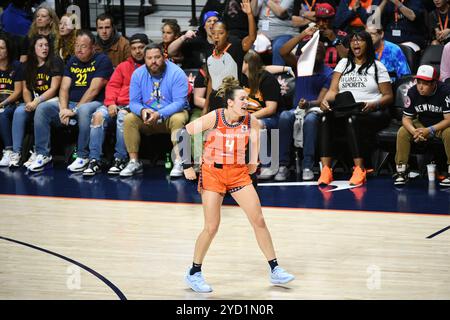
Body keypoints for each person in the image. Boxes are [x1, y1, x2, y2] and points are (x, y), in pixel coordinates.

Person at [181, 77, 295, 293]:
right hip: (212, 173)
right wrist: (187, 164)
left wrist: (252, 165)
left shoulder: (252, 121)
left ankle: (275, 269)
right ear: (230, 103)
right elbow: (184, 132)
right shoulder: (215, 117)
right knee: (212, 226)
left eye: (247, 98)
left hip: (238, 174)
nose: (246, 102)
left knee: (258, 220)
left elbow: (254, 152)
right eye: (242, 99)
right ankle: (194, 273)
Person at [27, 30, 113, 173]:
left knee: (85, 110)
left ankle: (83, 156)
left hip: (94, 103)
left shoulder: (102, 60)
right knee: (43, 108)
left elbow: (93, 90)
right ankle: (43, 154)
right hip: (70, 104)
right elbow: (64, 88)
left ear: (93, 48)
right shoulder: (72, 60)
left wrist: (74, 111)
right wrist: (63, 109)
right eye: (77, 45)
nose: (79, 49)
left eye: (83, 46)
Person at [318, 31, 394, 186]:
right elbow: (333, 91)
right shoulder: (343, 64)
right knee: (325, 117)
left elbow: (388, 96)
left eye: (360, 41)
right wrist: (325, 101)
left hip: (370, 110)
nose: (355, 44)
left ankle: (360, 169)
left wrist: (374, 104)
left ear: (368, 44)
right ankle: (326, 170)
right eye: (352, 41)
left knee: (352, 119)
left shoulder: (377, 67)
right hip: (346, 108)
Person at [265, 36, 333, 181]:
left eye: (320, 50)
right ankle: (283, 165)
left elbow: (322, 100)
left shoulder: (328, 73)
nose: (317, 52)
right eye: (314, 49)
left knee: (310, 119)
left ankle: (307, 165)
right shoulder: (301, 65)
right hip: (297, 110)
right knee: (284, 116)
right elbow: (283, 51)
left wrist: (308, 104)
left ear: (324, 54)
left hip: (316, 110)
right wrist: (302, 36)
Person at [82, 33, 150, 176]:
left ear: (147, 48)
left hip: (134, 107)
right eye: (134, 48)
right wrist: (111, 103)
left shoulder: (153, 67)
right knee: (98, 116)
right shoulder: (123, 66)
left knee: (123, 117)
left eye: (141, 48)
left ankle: (120, 159)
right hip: (116, 104)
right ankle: (95, 160)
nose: (137, 51)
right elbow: (112, 87)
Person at [120, 43, 189, 178]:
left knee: (179, 118)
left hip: (170, 115)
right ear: (144, 59)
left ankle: (180, 162)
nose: (153, 62)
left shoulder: (177, 73)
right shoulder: (138, 74)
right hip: (147, 117)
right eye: (149, 58)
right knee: (129, 119)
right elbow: (133, 102)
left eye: (157, 57)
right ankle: (134, 161)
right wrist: (142, 111)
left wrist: (159, 114)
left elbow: (180, 103)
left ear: (164, 57)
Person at [9, 35, 64, 168]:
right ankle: (17, 153)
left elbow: (54, 88)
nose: (44, 48)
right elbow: (26, 89)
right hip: (35, 102)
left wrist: (36, 102)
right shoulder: (27, 65)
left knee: (41, 108)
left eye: (46, 45)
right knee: (20, 111)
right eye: (40, 45)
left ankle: (41, 152)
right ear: (33, 48)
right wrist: (29, 103)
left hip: (55, 101)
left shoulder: (55, 61)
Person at [394, 65, 450, 187]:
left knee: (449, 132)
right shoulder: (412, 91)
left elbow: (448, 119)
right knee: (403, 131)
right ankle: (401, 171)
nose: (420, 86)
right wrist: (415, 131)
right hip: (421, 123)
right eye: (419, 82)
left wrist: (429, 130)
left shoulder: (445, 91)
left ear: (434, 82)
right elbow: (406, 118)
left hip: (441, 124)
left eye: (425, 83)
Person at [204, 1, 256, 113]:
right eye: (214, 33)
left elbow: (251, 38)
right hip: (215, 98)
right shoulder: (209, 52)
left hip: (234, 97)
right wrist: (205, 108)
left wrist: (250, 15)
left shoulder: (236, 46)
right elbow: (211, 81)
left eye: (221, 33)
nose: (216, 36)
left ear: (227, 34)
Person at [250, 0, 298, 66]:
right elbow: (253, 12)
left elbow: (280, 12)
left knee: (278, 46)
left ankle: (279, 75)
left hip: (283, 33)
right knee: (252, 46)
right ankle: (255, 75)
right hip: (262, 35)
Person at [0, 34, 24, 166]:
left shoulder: (17, 66)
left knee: (2, 114)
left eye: (2, 48)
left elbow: (18, 91)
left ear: (8, 50)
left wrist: (2, 103)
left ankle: (8, 150)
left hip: (13, 103)